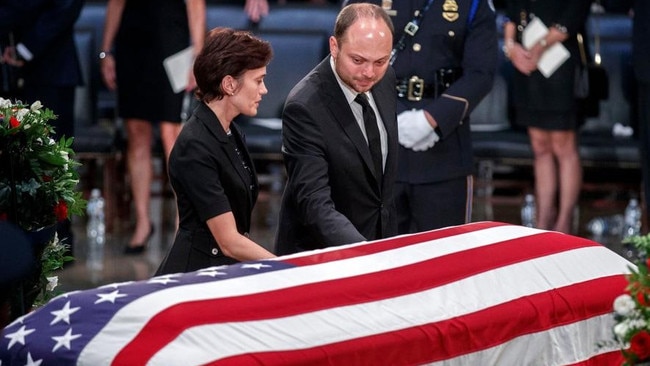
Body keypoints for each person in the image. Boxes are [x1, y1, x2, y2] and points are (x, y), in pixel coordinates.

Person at [345, 0, 498, 234]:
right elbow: (346, 61)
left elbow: (481, 73)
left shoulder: (474, 3)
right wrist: (389, 116)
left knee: (445, 254)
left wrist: (433, 118)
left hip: (444, 150)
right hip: (377, 148)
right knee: (376, 256)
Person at [275, 3, 398, 255]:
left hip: (378, 248)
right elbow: (314, 203)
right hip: (322, 257)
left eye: (380, 61)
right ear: (334, 46)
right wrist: (364, 251)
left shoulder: (385, 78)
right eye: (358, 60)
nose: (369, 72)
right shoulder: (305, 106)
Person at [155, 27, 276, 275]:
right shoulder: (195, 145)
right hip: (194, 278)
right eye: (259, 80)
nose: (264, 90)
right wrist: (285, 267)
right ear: (229, 84)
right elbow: (229, 241)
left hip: (221, 271)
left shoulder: (229, 131)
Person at [100, 0, 206, 254]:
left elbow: (196, 6)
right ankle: (143, 223)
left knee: (173, 135)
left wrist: (198, 55)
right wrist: (106, 51)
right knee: (137, 134)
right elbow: (116, 4)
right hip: (132, 44)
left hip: (173, 44)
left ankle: (184, 222)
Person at [0, 0, 84, 251]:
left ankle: (54, 240)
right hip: (10, 71)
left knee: (53, 158)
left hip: (52, 69)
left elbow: (66, 7)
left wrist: (24, 49)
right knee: (13, 163)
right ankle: (19, 243)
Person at [503, 0, 591, 233]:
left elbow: (574, 16)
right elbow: (511, 16)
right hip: (529, 67)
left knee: (563, 146)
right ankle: (543, 221)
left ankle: (564, 221)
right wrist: (511, 48)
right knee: (540, 146)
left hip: (561, 64)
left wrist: (542, 44)